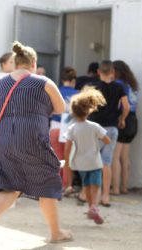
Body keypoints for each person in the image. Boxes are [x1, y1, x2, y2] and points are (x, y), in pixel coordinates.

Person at [0, 41, 72, 245]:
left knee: (10, 184)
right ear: (33, 63)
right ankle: (56, 233)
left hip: (4, 137)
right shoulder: (43, 82)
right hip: (33, 137)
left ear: (15, 63)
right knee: (47, 181)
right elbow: (60, 108)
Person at [64, 87, 110, 224]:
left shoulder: (72, 128)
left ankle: (91, 207)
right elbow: (107, 140)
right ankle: (94, 206)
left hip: (80, 163)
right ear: (89, 110)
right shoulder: (94, 126)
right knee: (96, 185)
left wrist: (68, 162)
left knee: (87, 186)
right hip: (94, 161)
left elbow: (68, 146)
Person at [88, 60, 130, 206]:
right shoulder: (119, 87)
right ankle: (105, 196)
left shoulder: (93, 87)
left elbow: (86, 105)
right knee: (107, 162)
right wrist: (122, 119)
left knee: (93, 162)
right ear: (113, 72)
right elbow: (126, 107)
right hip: (112, 128)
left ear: (99, 72)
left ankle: (91, 195)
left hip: (95, 127)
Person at [49, 67, 78, 195]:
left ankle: (56, 185)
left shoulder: (56, 91)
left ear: (62, 79)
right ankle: (68, 185)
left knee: (57, 158)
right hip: (71, 128)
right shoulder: (78, 93)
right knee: (69, 159)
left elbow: (49, 110)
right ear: (73, 80)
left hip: (55, 126)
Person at [111, 60, 139, 195]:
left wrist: (121, 118)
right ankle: (124, 187)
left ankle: (115, 189)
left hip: (124, 118)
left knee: (115, 157)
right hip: (133, 120)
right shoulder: (132, 85)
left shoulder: (119, 85)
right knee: (125, 157)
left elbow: (120, 105)